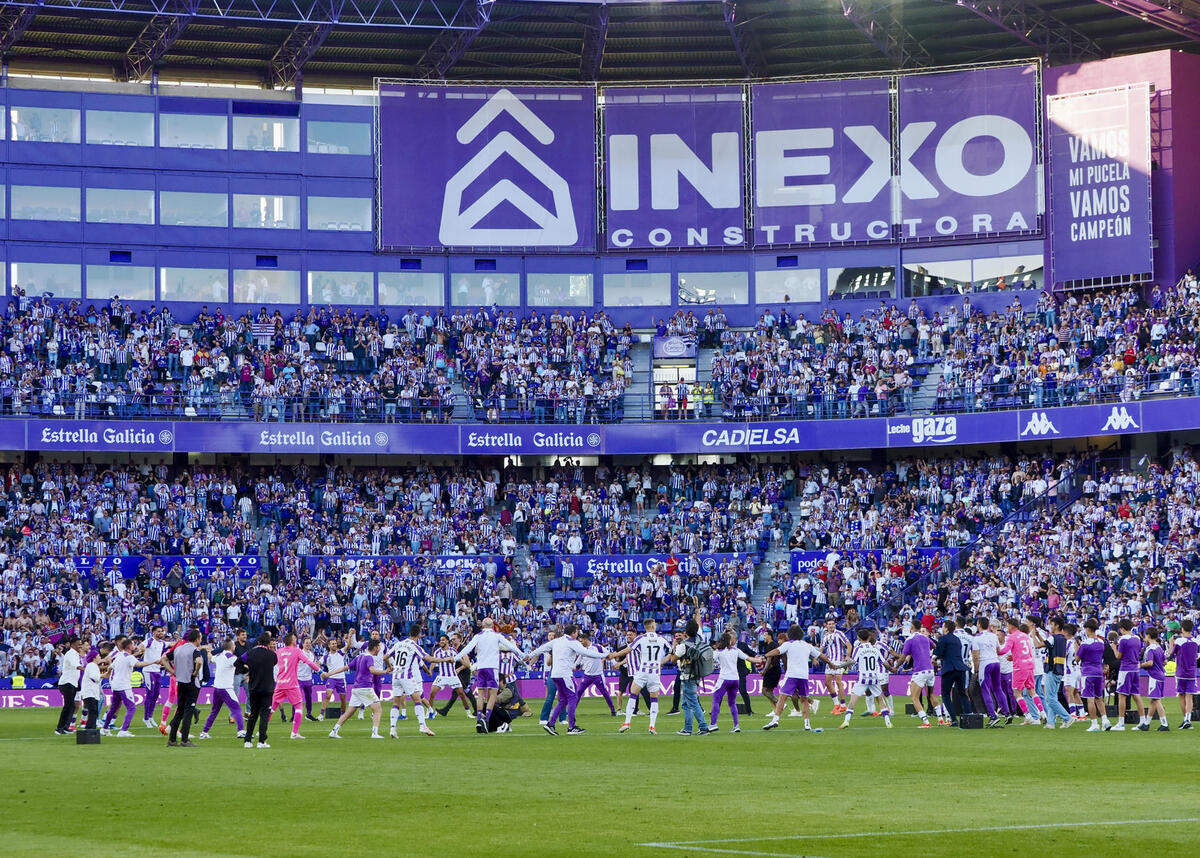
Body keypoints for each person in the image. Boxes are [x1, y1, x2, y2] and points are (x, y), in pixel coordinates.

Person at [526, 624, 605, 735]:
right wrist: (605, 654)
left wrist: (530, 655)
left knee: (563, 700)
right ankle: (571, 727)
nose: (577, 634)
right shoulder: (573, 642)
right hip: (565, 674)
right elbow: (587, 652)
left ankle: (551, 724)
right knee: (573, 697)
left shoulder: (557, 641)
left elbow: (541, 648)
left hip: (555, 674)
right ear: (573, 633)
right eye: (576, 632)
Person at [455, 618, 527, 733]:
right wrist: (523, 654)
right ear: (492, 625)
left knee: (481, 693)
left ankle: (479, 720)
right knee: (492, 694)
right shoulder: (497, 636)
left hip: (481, 668)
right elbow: (511, 646)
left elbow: (468, 648)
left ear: (482, 625)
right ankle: (487, 720)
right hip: (492, 668)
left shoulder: (478, 636)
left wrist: (455, 658)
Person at [761, 624, 837, 732]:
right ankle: (807, 724)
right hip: (803, 676)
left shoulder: (788, 644)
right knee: (804, 700)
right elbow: (821, 656)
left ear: (790, 634)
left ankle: (775, 720)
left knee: (783, 697)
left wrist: (766, 655)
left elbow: (777, 651)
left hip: (792, 675)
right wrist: (831, 663)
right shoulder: (807, 645)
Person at [610, 618, 669, 734]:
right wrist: (661, 662)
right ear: (653, 626)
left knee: (633, 694)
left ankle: (627, 722)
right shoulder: (662, 639)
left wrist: (614, 655)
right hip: (655, 672)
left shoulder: (641, 639)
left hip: (643, 671)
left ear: (646, 627)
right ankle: (652, 726)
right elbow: (672, 652)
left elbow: (628, 650)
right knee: (654, 699)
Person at [386, 623, 445, 738]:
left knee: (396, 703)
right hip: (406, 676)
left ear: (409, 633)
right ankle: (422, 725)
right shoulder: (414, 646)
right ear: (419, 634)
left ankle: (393, 728)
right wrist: (445, 659)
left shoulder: (398, 644)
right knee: (418, 700)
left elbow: (385, 657)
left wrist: (390, 667)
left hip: (395, 676)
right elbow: (428, 658)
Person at [327, 640, 388, 739]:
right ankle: (374, 733)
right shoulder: (369, 658)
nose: (380, 649)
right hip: (365, 688)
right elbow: (372, 670)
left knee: (349, 712)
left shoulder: (359, 657)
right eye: (379, 647)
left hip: (356, 688)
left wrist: (329, 674)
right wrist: (384, 671)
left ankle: (334, 731)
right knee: (378, 709)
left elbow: (345, 667)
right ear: (375, 647)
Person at [269, 633, 323, 740]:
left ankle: (261, 730)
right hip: (292, 684)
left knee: (272, 707)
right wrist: (320, 671)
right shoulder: (297, 650)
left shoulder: (278, 652)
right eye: (295, 638)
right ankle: (294, 733)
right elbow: (309, 662)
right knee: (299, 706)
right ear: (292, 641)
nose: (296, 640)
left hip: (280, 683)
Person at [104, 638, 161, 737]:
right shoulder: (129, 658)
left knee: (114, 707)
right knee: (131, 708)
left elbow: (110, 667)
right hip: (124, 686)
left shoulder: (120, 655)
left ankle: (104, 728)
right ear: (129, 646)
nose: (135, 646)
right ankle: (123, 730)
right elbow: (139, 664)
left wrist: (107, 674)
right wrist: (153, 662)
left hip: (116, 685)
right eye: (133, 644)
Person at [710, 631, 761, 733]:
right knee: (732, 703)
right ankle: (736, 725)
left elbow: (710, 660)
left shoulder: (719, 651)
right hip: (735, 679)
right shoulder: (736, 650)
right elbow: (749, 658)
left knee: (716, 699)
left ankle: (713, 724)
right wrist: (759, 660)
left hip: (724, 679)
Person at [840, 628, 892, 729]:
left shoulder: (859, 648)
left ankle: (846, 721)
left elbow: (852, 661)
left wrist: (840, 666)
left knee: (853, 700)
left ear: (858, 638)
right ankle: (888, 722)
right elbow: (884, 662)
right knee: (880, 700)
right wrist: (893, 669)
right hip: (874, 677)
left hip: (863, 678)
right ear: (869, 637)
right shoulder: (875, 649)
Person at [668, 618, 712, 736]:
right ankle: (687, 728)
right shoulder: (699, 639)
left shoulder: (683, 646)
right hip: (697, 675)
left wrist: (674, 646)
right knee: (685, 703)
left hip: (687, 676)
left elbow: (673, 659)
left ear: (686, 632)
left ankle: (703, 727)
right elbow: (698, 623)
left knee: (692, 702)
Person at [998, 619, 1043, 725]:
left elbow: (1004, 650)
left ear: (1012, 626)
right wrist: (1014, 657)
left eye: (1007, 626)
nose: (1007, 628)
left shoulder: (1012, 637)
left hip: (1020, 667)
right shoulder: (1026, 636)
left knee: (1016, 692)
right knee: (1032, 690)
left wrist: (996, 651)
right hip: (1030, 665)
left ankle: (1028, 716)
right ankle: (1042, 713)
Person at [200, 638, 246, 740]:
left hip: (217, 688)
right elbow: (239, 663)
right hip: (226, 688)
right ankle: (241, 731)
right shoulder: (231, 657)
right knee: (237, 709)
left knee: (214, 711)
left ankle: (204, 732)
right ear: (231, 646)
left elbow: (211, 658)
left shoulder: (219, 655)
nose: (235, 646)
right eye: (234, 645)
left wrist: (208, 652)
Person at [166, 629, 203, 748]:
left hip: (180, 682)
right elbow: (199, 661)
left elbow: (163, 659)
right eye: (200, 638)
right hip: (191, 683)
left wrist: (172, 671)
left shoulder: (178, 648)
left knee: (179, 711)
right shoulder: (194, 650)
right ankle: (185, 740)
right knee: (188, 711)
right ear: (197, 639)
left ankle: (172, 740)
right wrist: (195, 672)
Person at [241, 632, 278, 748]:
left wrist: (248, 669)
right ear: (268, 643)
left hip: (254, 687)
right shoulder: (272, 655)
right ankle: (261, 741)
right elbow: (274, 663)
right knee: (264, 715)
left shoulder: (250, 653)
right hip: (267, 689)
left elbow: (238, 662)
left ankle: (247, 740)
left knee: (253, 715)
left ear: (258, 642)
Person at [429, 633, 476, 719]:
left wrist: (471, 667)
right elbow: (433, 661)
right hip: (442, 676)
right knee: (432, 693)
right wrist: (430, 670)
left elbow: (462, 661)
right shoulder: (437, 652)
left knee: (461, 694)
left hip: (453, 676)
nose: (441, 642)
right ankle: (430, 712)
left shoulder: (453, 651)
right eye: (440, 640)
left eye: (443, 640)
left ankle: (468, 713)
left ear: (447, 641)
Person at [1110, 618, 1146, 732]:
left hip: (1126, 669)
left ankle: (1121, 723)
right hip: (1135, 669)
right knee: (1136, 695)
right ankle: (1142, 721)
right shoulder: (1137, 638)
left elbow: (1118, 656)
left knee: (1122, 695)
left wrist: (1114, 648)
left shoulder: (1123, 639)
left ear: (1121, 628)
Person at [971, 618, 1008, 728]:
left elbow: (976, 656)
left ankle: (993, 716)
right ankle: (1007, 712)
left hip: (985, 664)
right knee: (998, 688)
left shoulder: (976, 638)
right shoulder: (993, 636)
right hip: (996, 662)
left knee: (985, 690)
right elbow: (998, 650)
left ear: (979, 624)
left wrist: (976, 670)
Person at [899, 620, 936, 728]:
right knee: (931, 695)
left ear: (911, 627)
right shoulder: (925, 638)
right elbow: (934, 646)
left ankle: (925, 721)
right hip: (930, 670)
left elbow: (903, 657)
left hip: (920, 670)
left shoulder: (909, 639)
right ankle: (941, 719)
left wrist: (896, 667)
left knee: (914, 697)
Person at [933, 619, 970, 726]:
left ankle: (954, 719)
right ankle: (969, 716)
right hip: (960, 668)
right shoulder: (957, 640)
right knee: (962, 693)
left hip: (949, 669)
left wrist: (934, 658)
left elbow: (939, 652)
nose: (942, 628)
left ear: (946, 628)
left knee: (945, 694)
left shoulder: (943, 639)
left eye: (943, 626)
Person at [1077, 619, 1111, 732]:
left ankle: (1094, 723)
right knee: (1098, 698)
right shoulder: (1101, 642)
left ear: (1087, 629)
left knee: (1090, 699)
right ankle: (1105, 721)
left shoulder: (1085, 643)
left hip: (1088, 671)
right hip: (1098, 671)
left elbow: (1077, 658)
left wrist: (1077, 647)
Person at [574, 631, 617, 717]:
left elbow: (608, 654)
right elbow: (578, 662)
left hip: (598, 675)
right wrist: (574, 666)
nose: (580, 643)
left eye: (581, 641)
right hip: (587, 675)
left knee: (605, 693)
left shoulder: (598, 647)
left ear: (586, 640)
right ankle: (572, 711)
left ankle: (613, 710)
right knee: (578, 693)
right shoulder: (583, 650)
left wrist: (614, 663)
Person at [1041, 616, 1072, 729]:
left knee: (1050, 698)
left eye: (1052, 624)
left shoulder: (1053, 637)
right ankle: (1051, 722)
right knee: (1052, 697)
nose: (1050, 626)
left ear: (1057, 625)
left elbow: (1039, 645)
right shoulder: (1062, 638)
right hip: (1059, 669)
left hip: (1052, 669)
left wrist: (1034, 635)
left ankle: (1067, 717)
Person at [1166, 618, 1197, 729]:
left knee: (1182, 696)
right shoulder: (1196, 641)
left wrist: (1170, 643)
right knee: (1189, 697)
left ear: (1182, 629)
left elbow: (1171, 653)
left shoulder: (1179, 641)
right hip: (1192, 672)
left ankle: (1185, 720)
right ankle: (1187, 720)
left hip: (1181, 672)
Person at [1140, 627, 1169, 731]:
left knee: (1156, 700)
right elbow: (1164, 662)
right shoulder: (1159, 647)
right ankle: (1146, 724)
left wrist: (1140, 665)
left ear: (1148, 636)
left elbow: (1150, 663)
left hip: (1154, 676)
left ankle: (1164, 724)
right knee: (1153, 700)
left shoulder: (1150, 648)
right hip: (1161, 674)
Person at [819, 618, 850, 715]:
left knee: (838, 681)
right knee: (827, 683)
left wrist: (847, 656)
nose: (831, 625)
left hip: (839, 661)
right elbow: (821, 648)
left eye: (832, 624)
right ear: (826, 625)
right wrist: (816, 657)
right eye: (829, 624)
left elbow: (849, 645)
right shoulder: (825, 636)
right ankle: (836, 705)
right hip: (829, 661)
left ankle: (843, 706)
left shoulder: (839, 633)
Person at [54, 637, 83, 736]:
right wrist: (87, 670)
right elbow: (76, 666)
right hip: (67, 683)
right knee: (68, 706)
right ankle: (59, 728)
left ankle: (65, 727)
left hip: (73, 683)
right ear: (73, 645)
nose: (80, 646)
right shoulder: (70, 654)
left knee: (71, 706)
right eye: (79, 644)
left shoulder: (76, 654)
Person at [141, 625, 168, 729]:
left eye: (161, 631)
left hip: (157, 670)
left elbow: (171, 644)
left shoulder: (162, 643)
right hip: (148, 670)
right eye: (158, 631)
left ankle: (150, 716)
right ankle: (146, 718)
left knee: (156, 694)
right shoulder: (149, 641)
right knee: (150, 694)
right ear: (153, 632)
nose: (161, 633)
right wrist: (141, 649)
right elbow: (141, 646)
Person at [79, 643, 110, 731]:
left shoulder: (92, 666)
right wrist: (103, 675)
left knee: (93, 712)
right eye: (98, 656)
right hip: (90, 693)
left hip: (91, 692)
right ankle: (90, 729)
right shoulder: (92, 665)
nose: (100, 657)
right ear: (94, 658)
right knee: (93, 712)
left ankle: (90, 728)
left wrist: (103, 675)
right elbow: (95, 678)